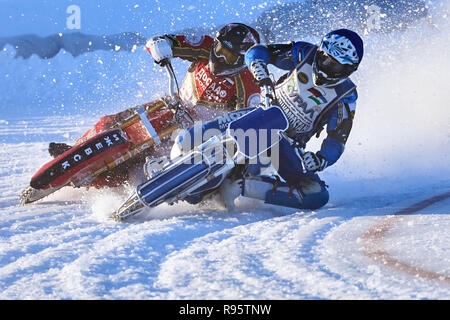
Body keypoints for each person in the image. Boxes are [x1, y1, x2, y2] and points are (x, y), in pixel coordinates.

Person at [48, 23, 262, 187]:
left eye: (227, 54)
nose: (218, 56)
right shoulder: (204, 45)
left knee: (143, 163)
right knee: (112, 121)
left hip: (195, 132)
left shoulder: (248, 82)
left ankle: (105, 183)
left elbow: (248, 123)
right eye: (219, 48)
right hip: (171, 104)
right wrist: (161, 48)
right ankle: (76, 150)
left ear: (242, 59)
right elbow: (162, 41)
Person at [174, 28, 363, 210]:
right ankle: (173, 162)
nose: (326, 66)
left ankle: (243, 186)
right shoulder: (305, 53)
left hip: (286, 142)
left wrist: (321, 159)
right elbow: (259, 51)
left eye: (335, 64)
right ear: (320, 50)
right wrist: (258, 68)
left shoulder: (346, 96)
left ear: (349, 69)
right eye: (324, 58)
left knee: (316, 195)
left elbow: (337, 139)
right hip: (259, 113)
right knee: (188, 138)